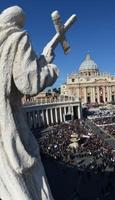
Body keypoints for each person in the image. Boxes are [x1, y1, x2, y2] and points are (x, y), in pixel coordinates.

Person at [0, 6, 58, 200]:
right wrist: (51, 69)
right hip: (9, 125)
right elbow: (28, 82)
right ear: (18, 22)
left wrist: (41, 60)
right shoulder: (17, 37)